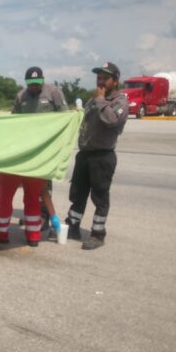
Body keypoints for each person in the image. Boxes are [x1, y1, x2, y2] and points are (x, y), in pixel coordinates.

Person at [65, 62, 129, 250]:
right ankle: (73, 225)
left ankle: (98, 233)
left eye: (105, 78)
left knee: (100, 197)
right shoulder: (93, 100)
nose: (100, 81)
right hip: (85, 155)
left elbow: (111, 120)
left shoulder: (120, 102)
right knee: (78, 193)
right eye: (98, 77)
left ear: (115, 81)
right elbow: (85, 120)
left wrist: (101, 100)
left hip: (102, 156)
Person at [8, 66, 67, 239]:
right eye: (31, 84)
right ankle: (33, 214)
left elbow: (64, 116)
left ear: (42, 80)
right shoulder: (21, 96)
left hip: (47, 146)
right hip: (28, 146)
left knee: (43, 181)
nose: (34, 87)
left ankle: (44, 217)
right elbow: (13, 121)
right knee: (30, 181)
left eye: (37, 83)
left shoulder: (54, 92)